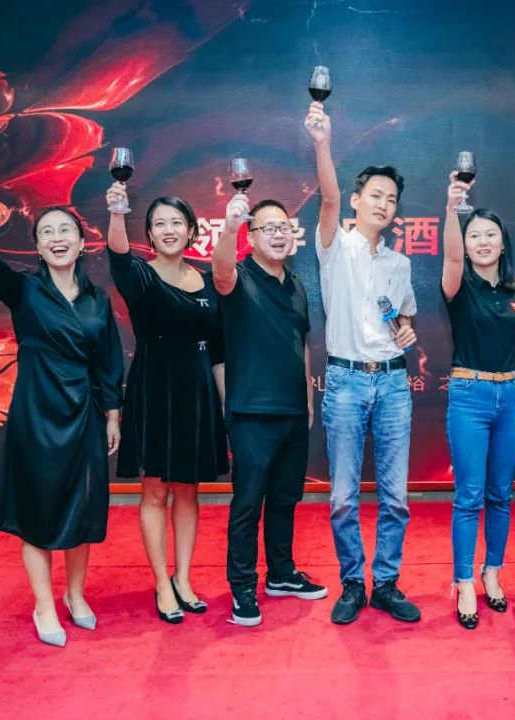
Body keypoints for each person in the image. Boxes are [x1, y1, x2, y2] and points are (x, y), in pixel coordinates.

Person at [0, 206, 123, 647]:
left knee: (82, 508)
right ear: (39, 247)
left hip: (84, 412)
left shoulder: (97, 299)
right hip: (36, 413)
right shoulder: (25, 289)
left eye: (66, 230)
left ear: (81, 243)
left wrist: (113, 414)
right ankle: (44, 605)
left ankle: (75, 595)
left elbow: (108, 363)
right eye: (47, 232)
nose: (57, 238)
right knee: (36, 512)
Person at [306, 101, 420, 625]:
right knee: (343, 498)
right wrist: (323, 142)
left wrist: (405, 330)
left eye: (391, 199)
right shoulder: (336, 246)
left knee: (395, 497)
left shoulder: (400, 262)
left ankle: (386, 583)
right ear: (356, 200)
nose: (384, 204)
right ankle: (353, 582)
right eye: (375, 195)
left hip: (393, 383)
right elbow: (327, 197)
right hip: (346, 382)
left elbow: (402, 318)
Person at [104, 184, 229, 624]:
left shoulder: (208, 281)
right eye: (160, 224)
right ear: (150, 235)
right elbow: (118, 257)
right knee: (155, 490)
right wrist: (116, 212)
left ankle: (183, 578)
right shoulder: (139, 276)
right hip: (154, 387)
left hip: (197, 391)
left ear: (192, 230)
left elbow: (218, 350)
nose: (169, 230)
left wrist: (225, 406)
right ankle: (161, 581)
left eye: (177, 222)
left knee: (188, 490)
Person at [212, 192, 328, 627]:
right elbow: (220, 270)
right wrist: (228, 227)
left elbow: (302, 344)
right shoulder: (237, 277)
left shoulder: (296, 284)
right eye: (269, 228)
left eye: (285, 228)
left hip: (293, 411)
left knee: (285, 498)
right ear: (251, 236)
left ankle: (280, 573)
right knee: (248, 503)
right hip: (251, 413)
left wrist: (308, 399)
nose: (279, 235)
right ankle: (242, 587)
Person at [440, 174, 515, 630]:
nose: (482, 242)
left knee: (501, 494)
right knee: (469, 496)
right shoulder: (458, 286)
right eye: (474, 236)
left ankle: (492, 572)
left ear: (503, 244)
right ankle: (464, 580)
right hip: (470, 396)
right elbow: (450, 257)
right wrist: (451, 209)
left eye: (490, 235)